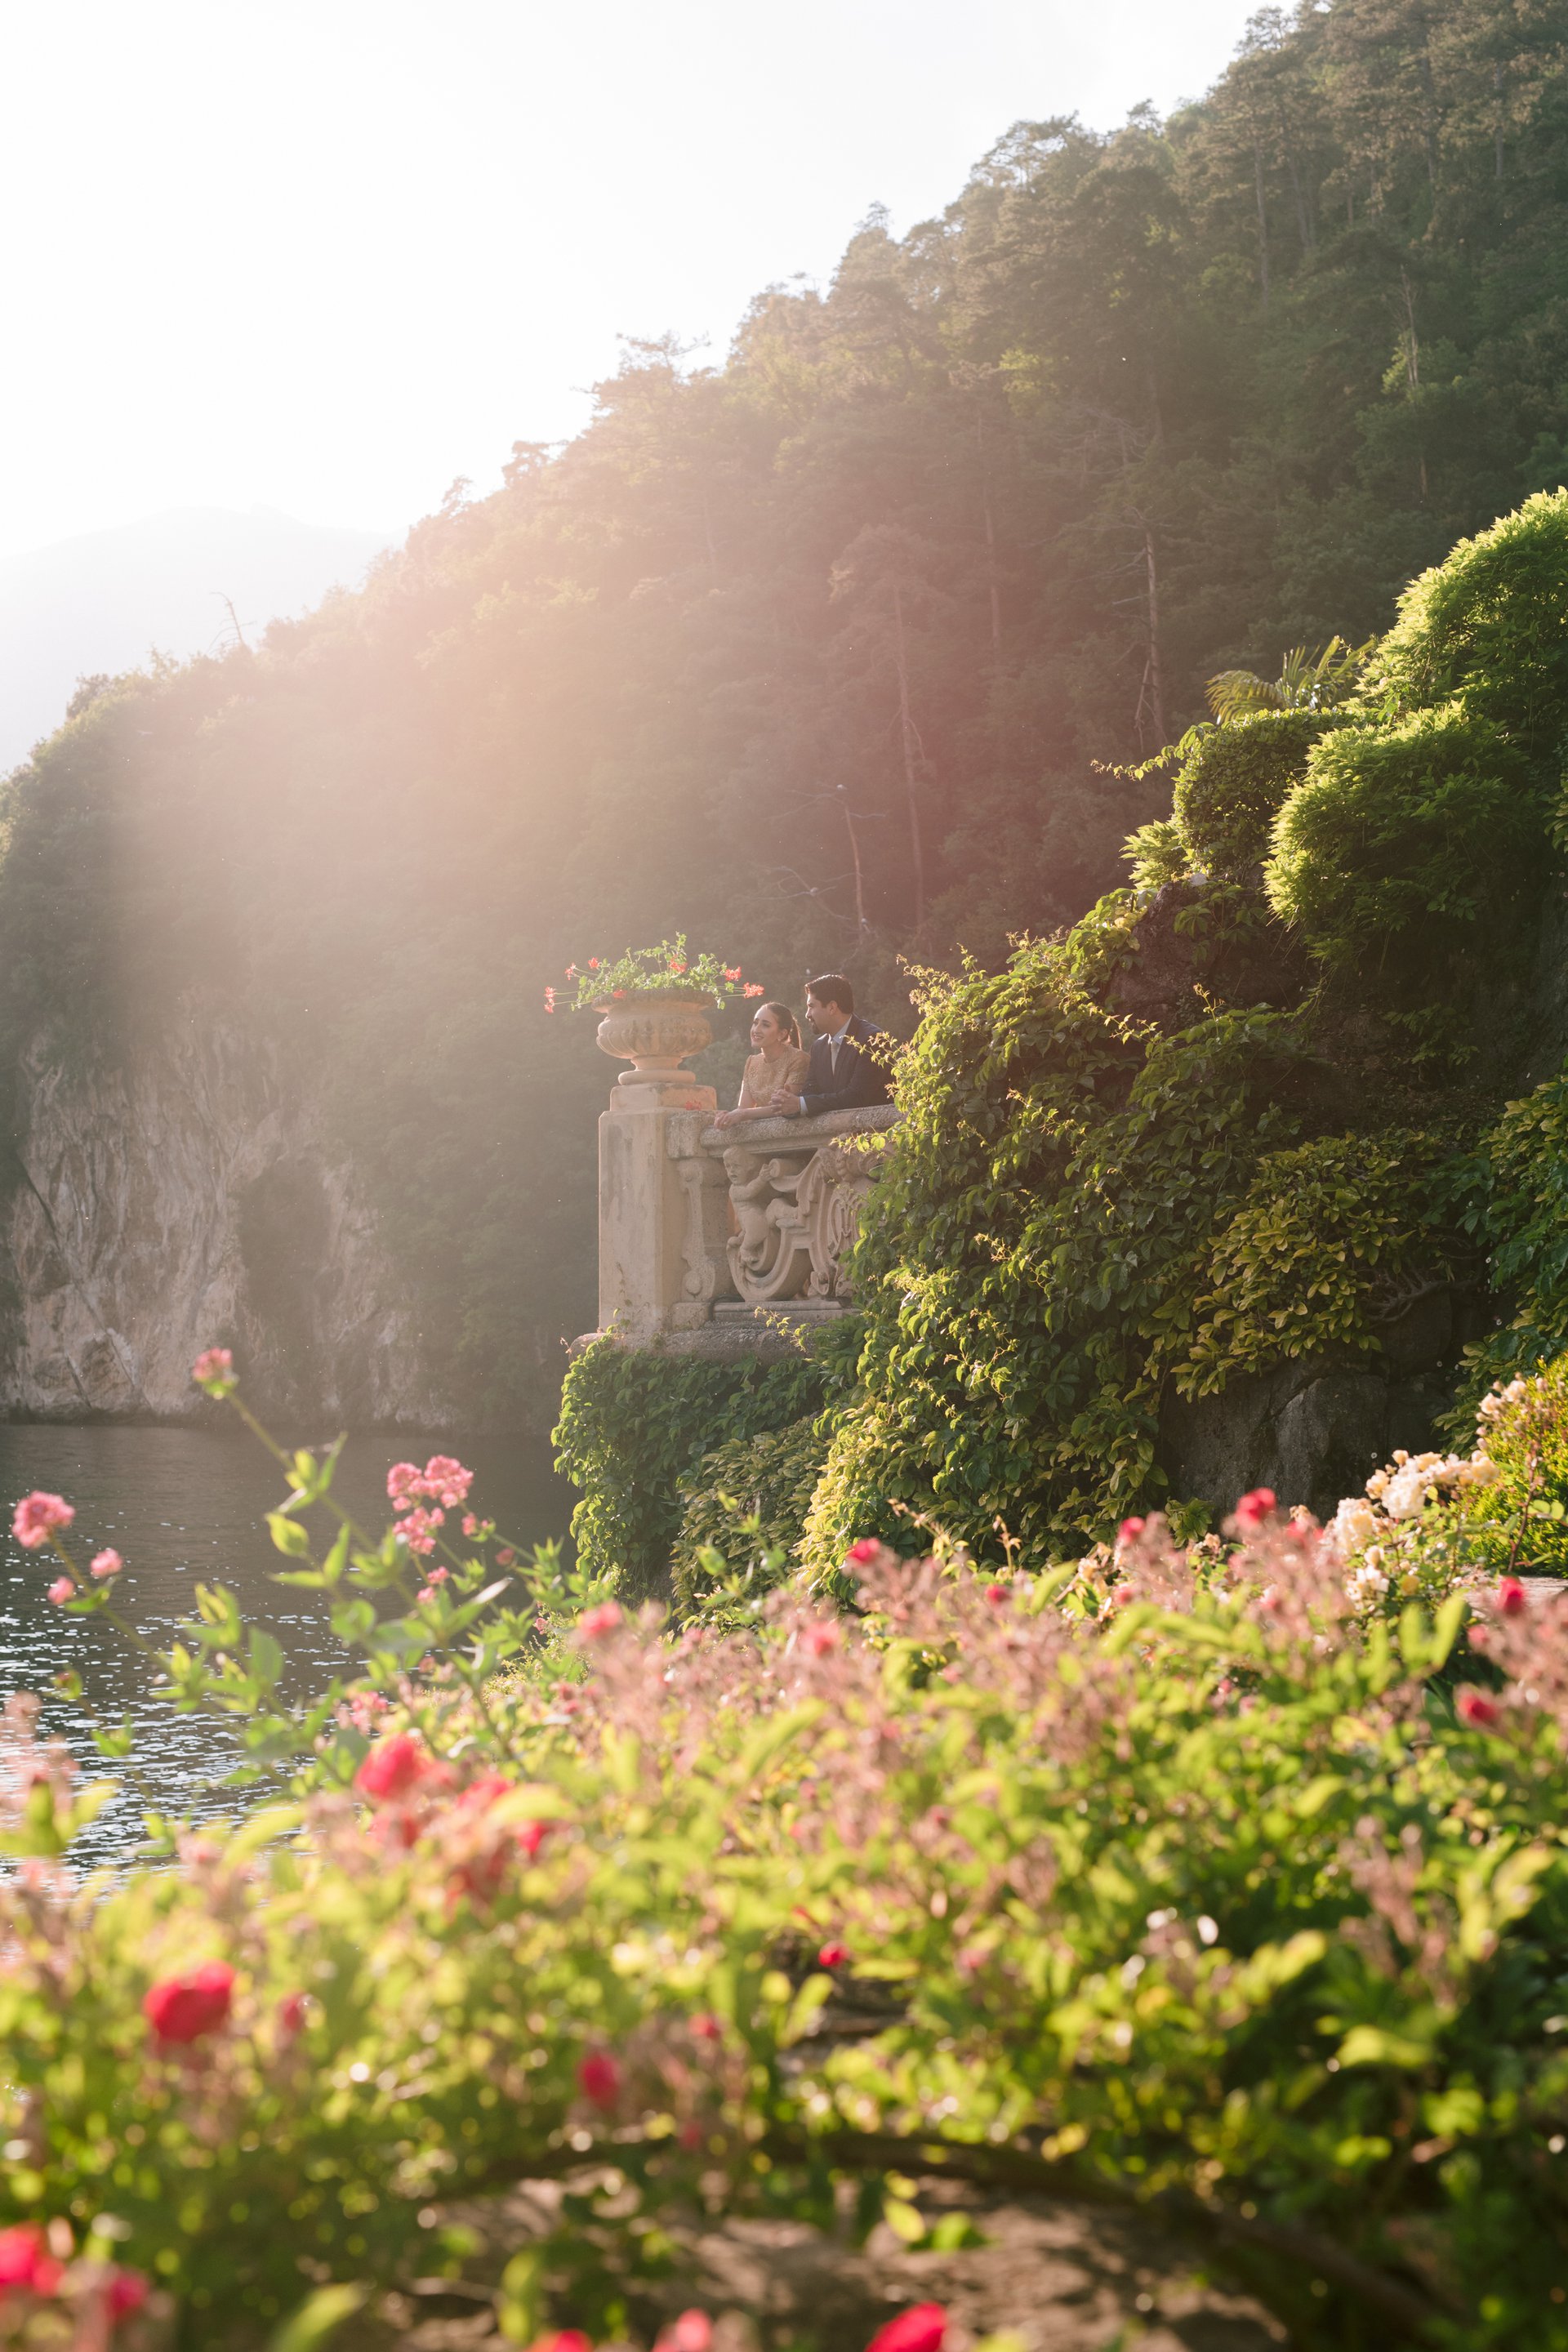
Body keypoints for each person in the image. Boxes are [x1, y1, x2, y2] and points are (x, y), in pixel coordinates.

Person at [770, 973, 889, 1119]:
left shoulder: (873, 1040)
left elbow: (857, 1097)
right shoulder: (819, 1047)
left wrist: (801, 1104)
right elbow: (811, 1092)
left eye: (811, 1006)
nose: (807, 1014)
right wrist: (788, 1102)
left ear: (832, 1007)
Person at [711, 1000, 812, 1129]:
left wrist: (741, 1114)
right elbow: (744, 1108)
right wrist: (727, 1116)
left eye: (765, 1025)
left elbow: (785, 1107)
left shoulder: (799, 1059)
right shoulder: (752, 1062)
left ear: (782, 1034)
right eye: (755, 1023)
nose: (756, 1030)